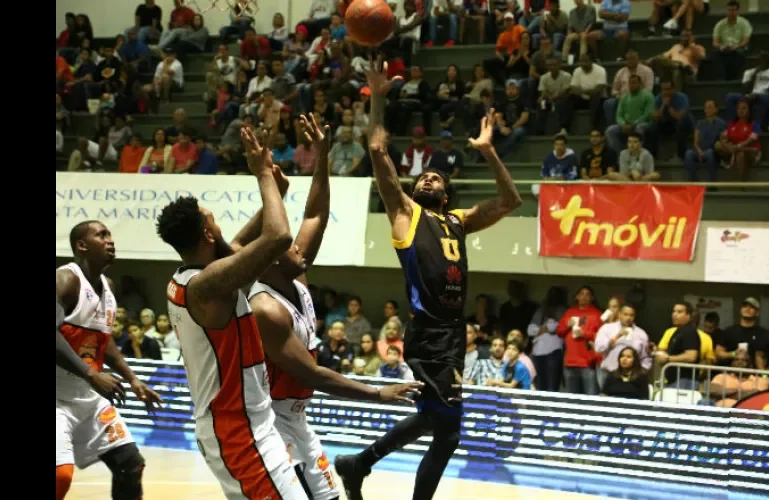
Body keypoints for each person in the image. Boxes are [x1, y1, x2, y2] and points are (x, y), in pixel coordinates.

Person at [334, 56, 522, 500]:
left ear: (447, 192)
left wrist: (489, 152)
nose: (428, 177)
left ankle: (357, 464)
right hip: (431, 333)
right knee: (449, 427)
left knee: (436, 419)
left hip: (453, 334)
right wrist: (378, 98)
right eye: (423, 176)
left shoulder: (458, 220)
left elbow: (511, 199)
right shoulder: (405, 213)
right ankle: (365, 469)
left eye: (436, 177)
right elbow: (378, 151)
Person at [241, 114, 422, 500]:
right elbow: (314, 374)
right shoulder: (264, 309)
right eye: (289, 245)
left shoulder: (295, 276)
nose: (300, 249)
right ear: (269, 257)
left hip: (297, 417)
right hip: (268, 422)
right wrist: (377, 394)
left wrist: (321, 154)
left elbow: (315, 215)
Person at [156, 127, 309, 499]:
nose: (219, 225)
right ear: (208, 234)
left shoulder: (190, 277)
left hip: (233, 425)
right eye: (212, 219)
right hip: (239, 430)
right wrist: (261, 175)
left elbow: (239, 246)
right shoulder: (208, 286)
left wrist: (279, 190)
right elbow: (276, 239)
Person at [56, 221, 162, 500]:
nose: (110, 240)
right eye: (101, 235)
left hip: (86, 398)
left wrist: (133, 379)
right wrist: (91, 374)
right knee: (60, 476)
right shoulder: (66, 279)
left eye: (110, 234)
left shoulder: (108, 287)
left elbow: (106, 342)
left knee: (131, 465)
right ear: (82, 245)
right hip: (56, 398)